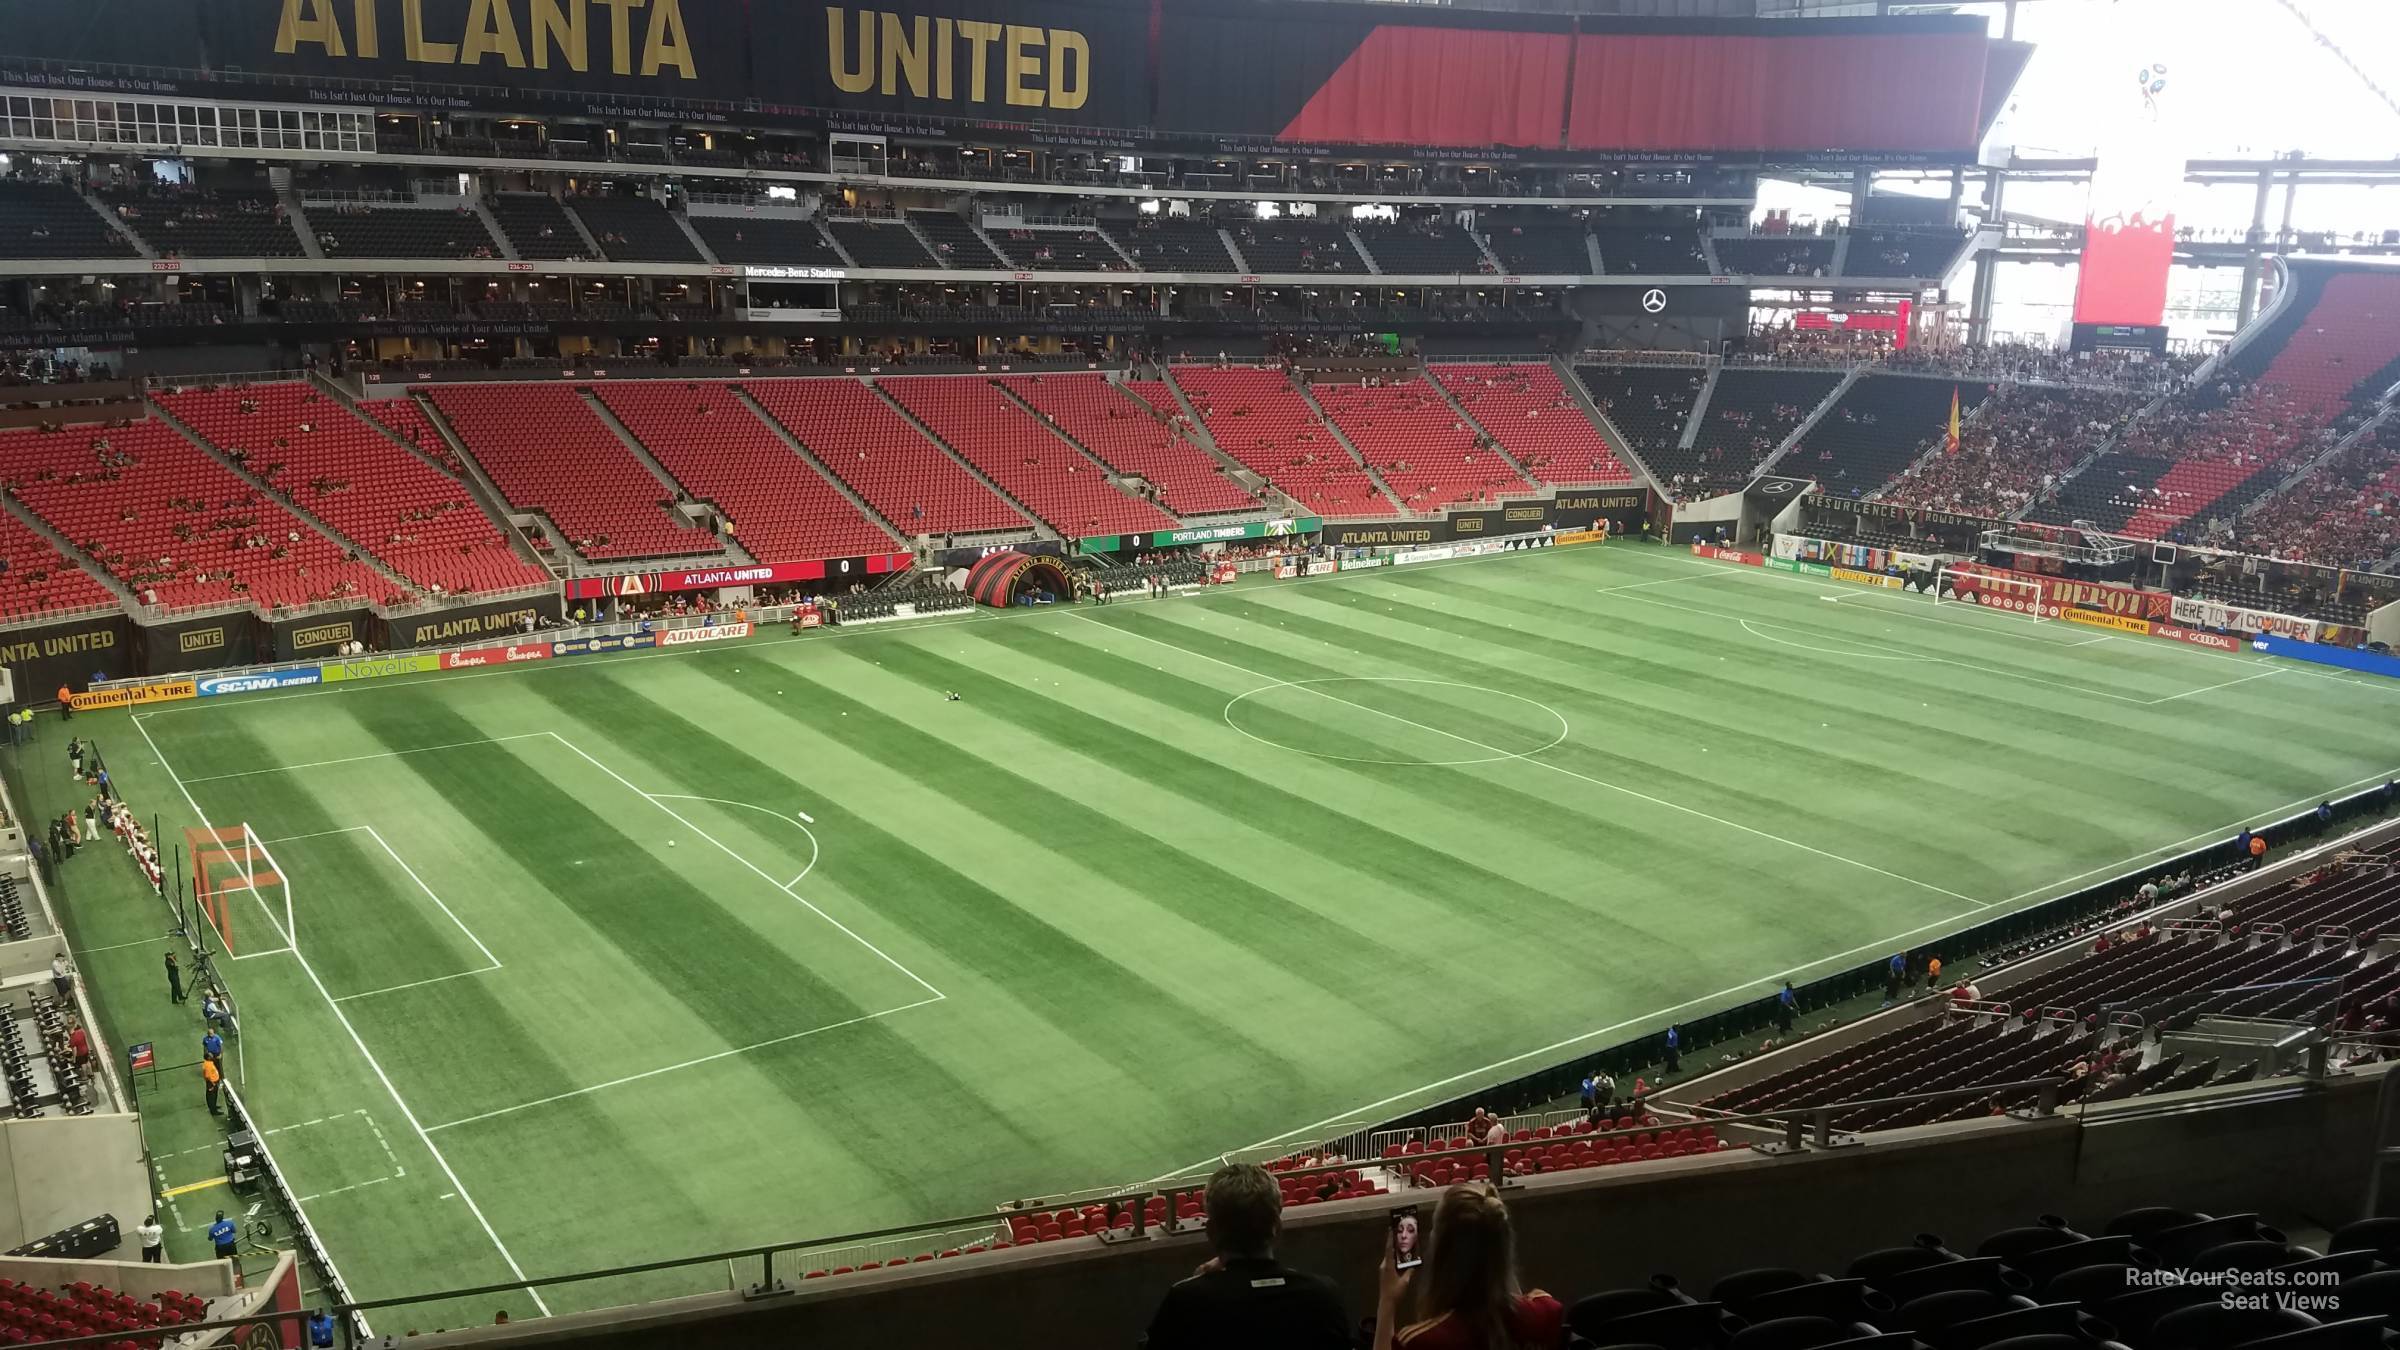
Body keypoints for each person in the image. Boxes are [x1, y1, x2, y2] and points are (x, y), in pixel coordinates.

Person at [1139, 1163, 1349, 1349]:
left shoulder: (1185, 1302)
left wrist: (1198, 1283)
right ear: (1277, 1227)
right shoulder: (1322, 1296)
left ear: (1211, 1232)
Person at [1376, 1184, 1564, 1350]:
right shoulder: (1546, 1312)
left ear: (1441, 1253)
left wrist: (1387, 1301)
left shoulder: (1422, 1342)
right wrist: (1495, 1247)